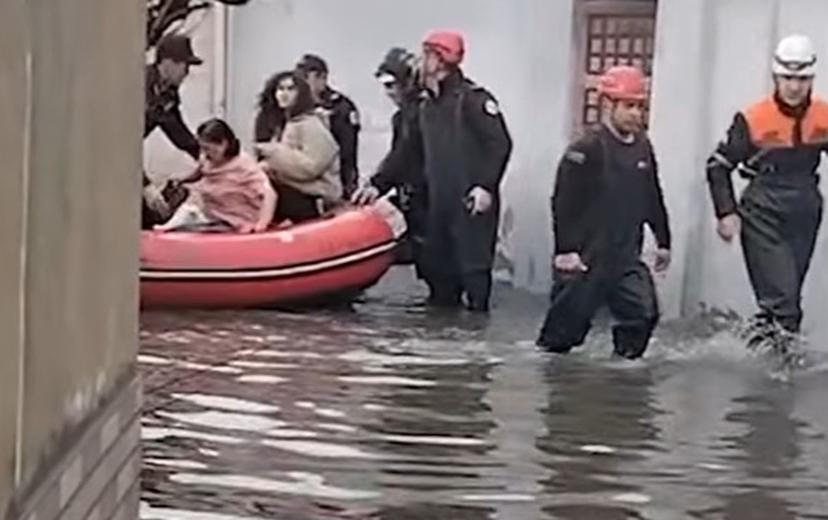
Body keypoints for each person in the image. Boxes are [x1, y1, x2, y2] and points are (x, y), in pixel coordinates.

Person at [358, 31, 512, 311]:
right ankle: (441, 346)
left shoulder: (474, 100)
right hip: (437, 205)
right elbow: (406, 153)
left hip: (470, 203)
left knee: (474, 276)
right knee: (439, 280)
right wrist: (376, 184)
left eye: (428, 54)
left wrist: (485, 185)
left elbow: (499, 144)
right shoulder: (425, 105)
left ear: (442, 60)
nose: (422, 60)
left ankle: (476, 347)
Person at [536, 65, 671, 360]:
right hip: (586, 259)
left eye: (640, 106)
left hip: (625, 257)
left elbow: (652, 195)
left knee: (644, 314)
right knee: (559, 344)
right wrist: (566, 250)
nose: (636, 113)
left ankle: (621, 370)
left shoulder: (643, 148)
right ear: (608, 104)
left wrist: (663, 241)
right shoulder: (586, 149)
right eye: (629, 106)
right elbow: (562, 201)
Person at [706, 34, 827, 348]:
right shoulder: (752, 118)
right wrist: (726, 212)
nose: (795, 86)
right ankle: (781, 372)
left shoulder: (824, 115)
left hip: (805, 208)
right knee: (785, 305)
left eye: (802, 79)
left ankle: (744, 349)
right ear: (776, 76)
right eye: (788, 78)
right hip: (763, 210)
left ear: (811, 78)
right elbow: (717, 167)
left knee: (782, 305)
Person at [353, 47, 428, 270]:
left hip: (431, 197)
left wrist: (379, 183)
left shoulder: (425, 114)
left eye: (391, 86)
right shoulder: (402, 118)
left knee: (438, 268)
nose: (389, 93)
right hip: (414, 197)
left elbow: (405, 154)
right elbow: (399, 156)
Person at [155, 118, 276, 233]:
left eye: (208, 149)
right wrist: (182, 180)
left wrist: (262, 224)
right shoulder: (206, 158)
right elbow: (200, 171)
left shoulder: (244, 166)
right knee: (189, 208)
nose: (205, 153)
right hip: (213, 210)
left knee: (195, 206)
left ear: (224, 144)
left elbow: (269, 194)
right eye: (202, 148)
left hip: (238, 214)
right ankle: (167, 226)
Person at [254, 71, 342, 223]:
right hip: (294, 191)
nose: (284, 94)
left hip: (315, 198)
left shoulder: (310, 124)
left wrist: (273, 156)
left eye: (290, 89)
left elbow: (311, 167)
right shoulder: (280, 124)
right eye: (280, 89)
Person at [143, 33, 204, 229]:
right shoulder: (139, 86)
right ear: (168, 63)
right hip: (102, 154)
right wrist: (145, 185)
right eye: (185, 66)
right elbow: (117, 142)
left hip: (124, 158)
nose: (187, 73)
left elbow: (177, 131)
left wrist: (207, 155)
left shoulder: (167, 92)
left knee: (156, 212)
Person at [295, 54, 361, 198]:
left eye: (306, 77)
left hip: (335, 180)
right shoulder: (296, 107)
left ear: (322, 78)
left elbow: (347, 151)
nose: (301, 83)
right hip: (305, 179)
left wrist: (348, 185)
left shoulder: (340, 107)